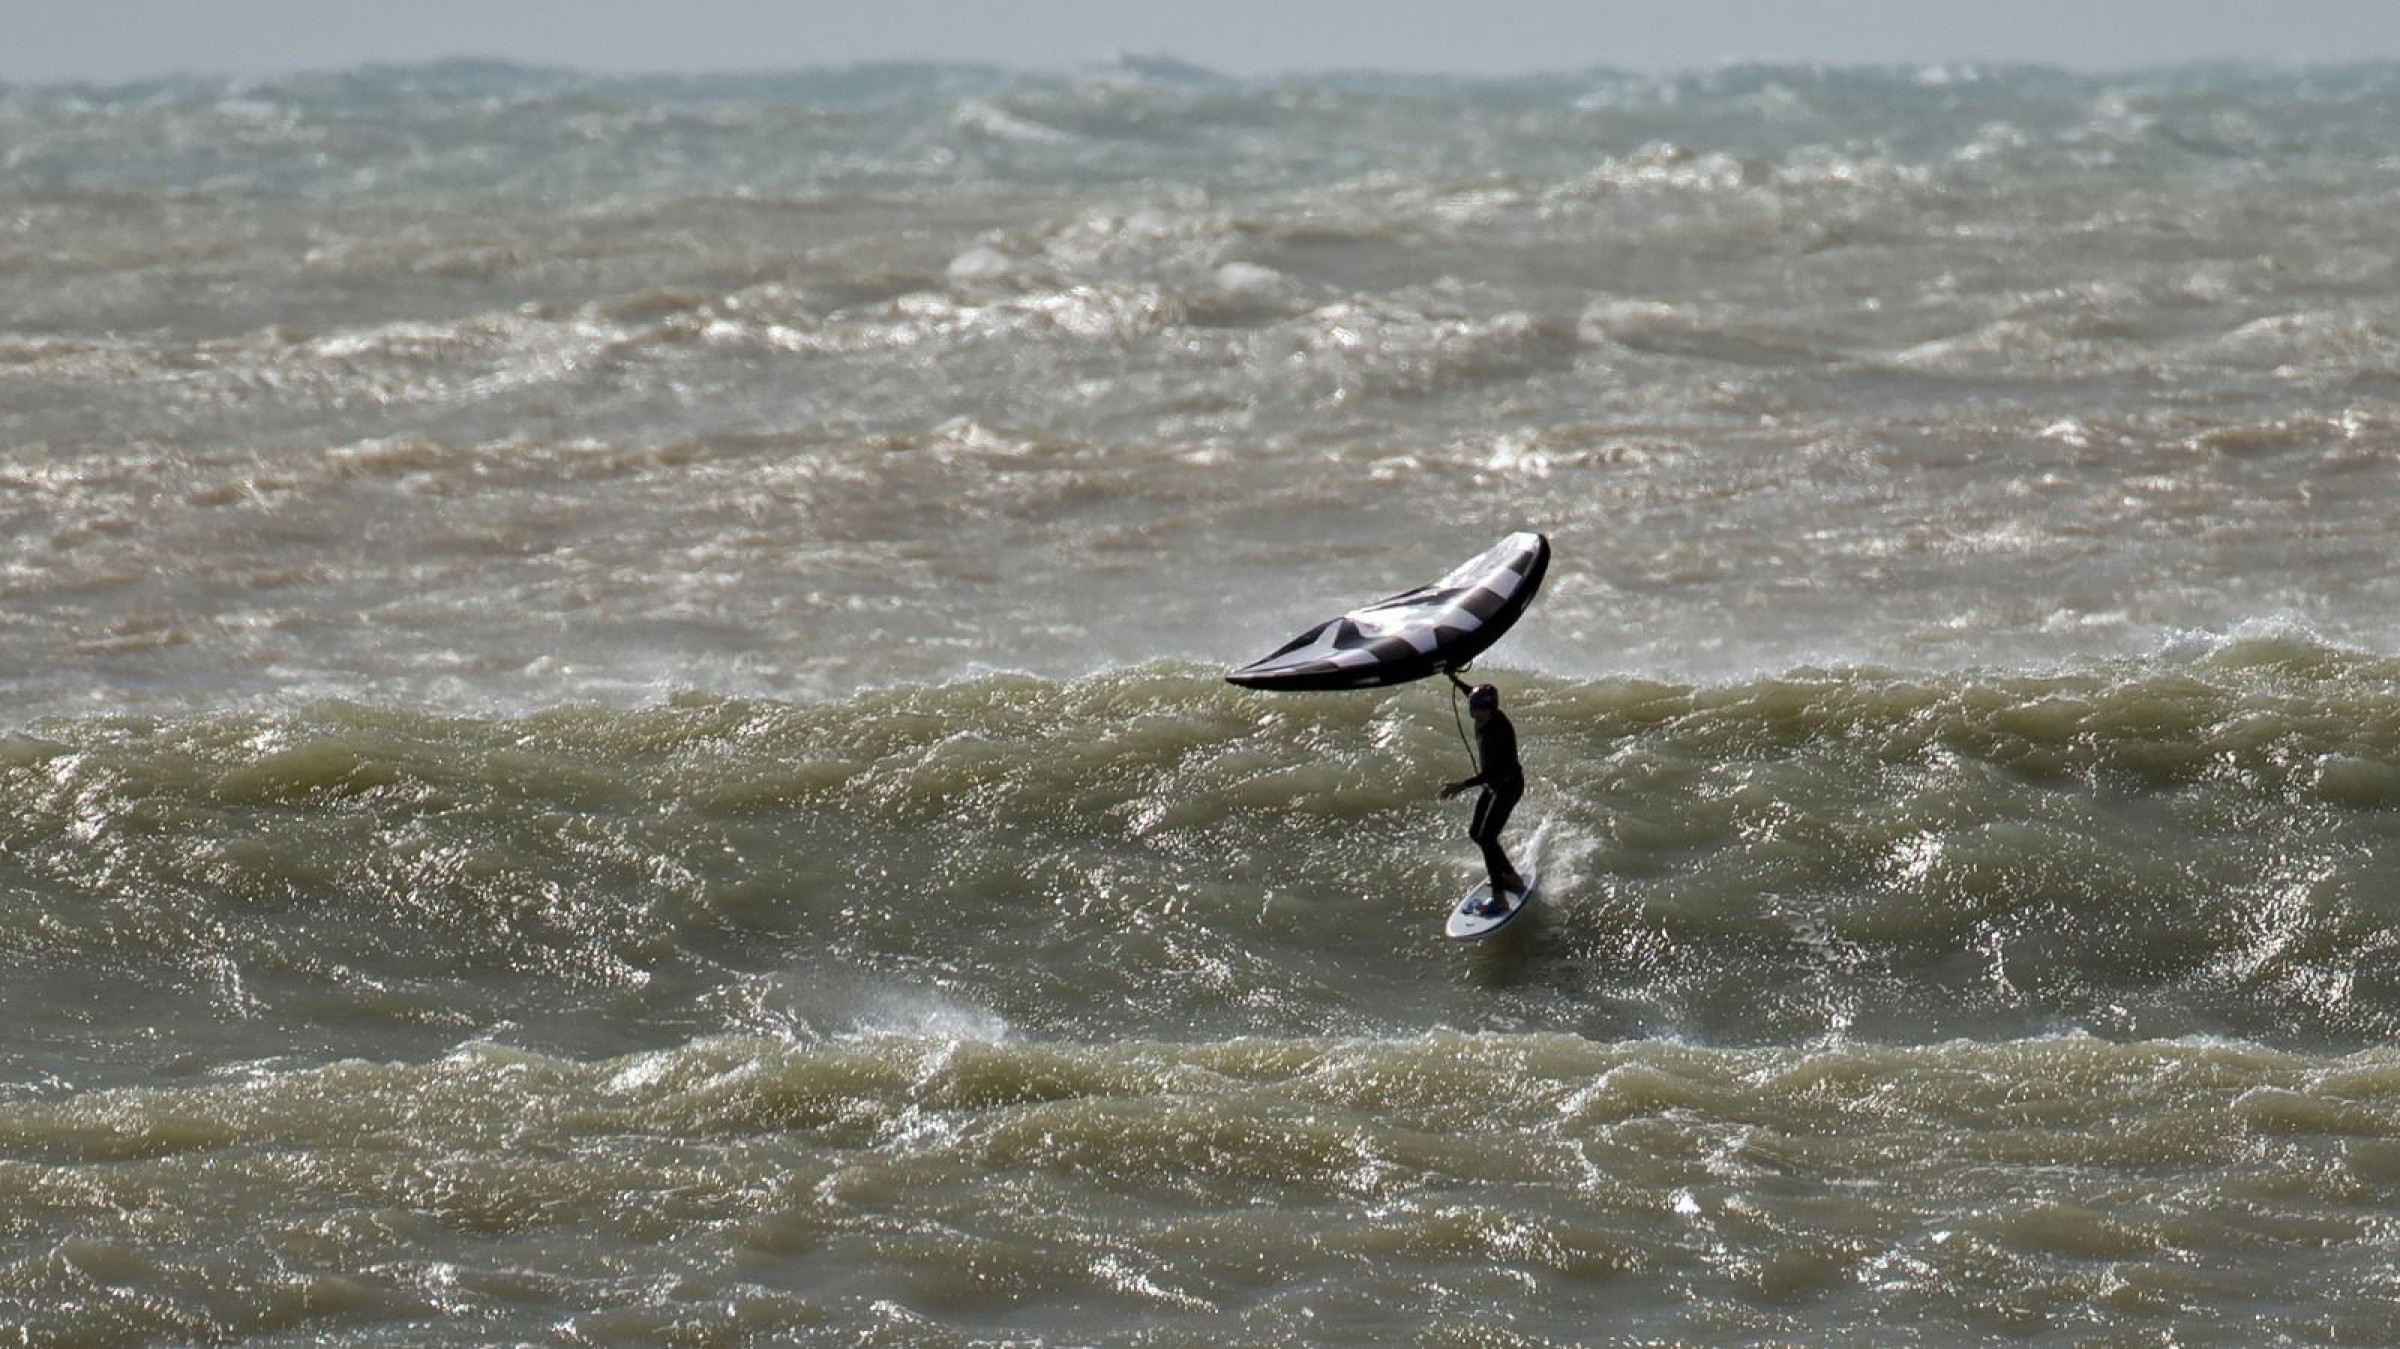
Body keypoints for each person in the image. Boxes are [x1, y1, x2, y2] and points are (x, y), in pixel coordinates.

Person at [1439, 672, 1526, 913]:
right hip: (1495, 785)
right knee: (1476, 833)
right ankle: (1510, 876)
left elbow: (1491, 773)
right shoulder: (1485, 711)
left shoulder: (1498, 733)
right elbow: (1472, 693)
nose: (1472, 713)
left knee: (1487, 837)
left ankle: (1499, 897)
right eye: (1472, 707)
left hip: (1507, 785)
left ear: (1489, 709)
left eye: (1477, 709)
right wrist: (1454, 678)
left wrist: (1461, 786)